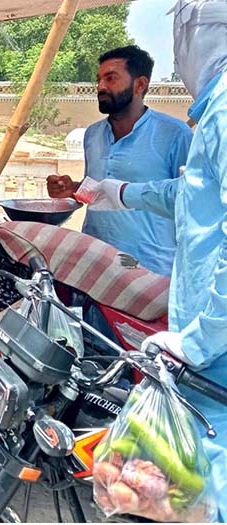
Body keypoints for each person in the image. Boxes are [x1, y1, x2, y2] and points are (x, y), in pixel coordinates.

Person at [83, 1, 227, 519]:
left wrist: (199, 338)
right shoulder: (213, 111)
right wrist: (118, 193)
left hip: (213, 343)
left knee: (210, 480)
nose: (178, 54)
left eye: (181, 37)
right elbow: (191, 195)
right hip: (200, 335)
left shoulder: (222, 113)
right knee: (190, 481)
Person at [46, 45, 192, 276]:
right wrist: (71, 188)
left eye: (111, 78)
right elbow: (97, 192)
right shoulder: (92, 135)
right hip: (95, 260)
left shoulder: (175, 134)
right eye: (99, 79)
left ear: (140, 84)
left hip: (150, 268)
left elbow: (189, 201)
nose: (101, 87)